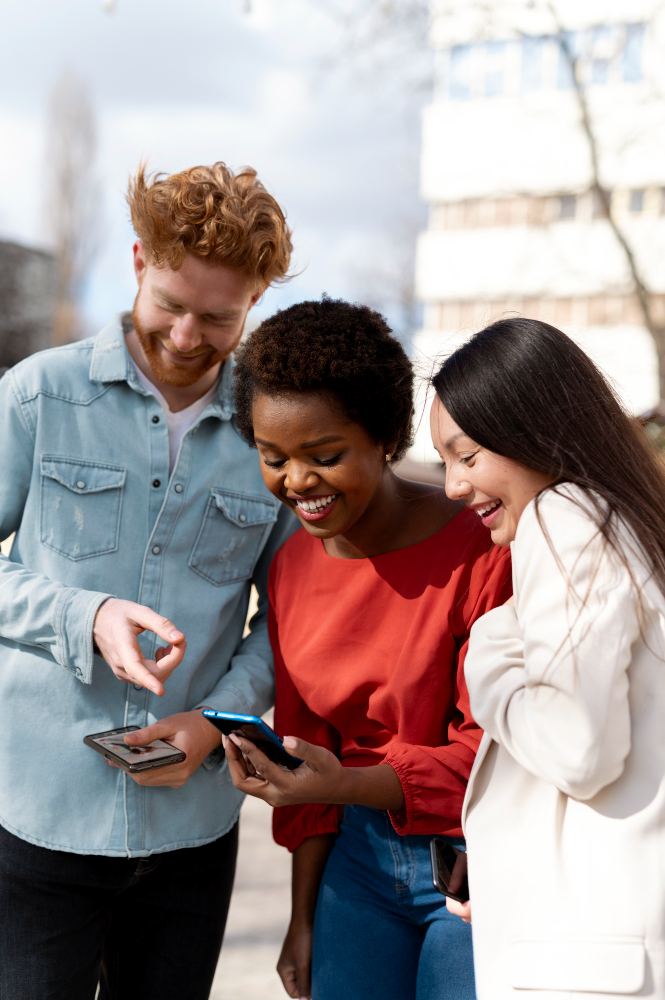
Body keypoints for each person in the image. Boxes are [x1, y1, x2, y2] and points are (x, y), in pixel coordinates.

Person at [0, 161, 296, 1000]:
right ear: (137, 261)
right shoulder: (36, 396)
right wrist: (80, 614)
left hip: (191, 835)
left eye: (219, 317)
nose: (186, 335)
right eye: (170, 303)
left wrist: (212, 722)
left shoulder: (269, 431)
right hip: (34, 818)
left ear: (254, 302)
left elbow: (286, 621)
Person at [224, 298, 512, 1000]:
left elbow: (490, 754)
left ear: (384, 437)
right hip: (354, 863)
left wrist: (337, 782)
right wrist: (302, 919)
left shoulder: (480, 547)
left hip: (476, 861)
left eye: (323, 457)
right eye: (273, 457)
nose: (296, 482)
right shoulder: (292, 567)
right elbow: (310, 756)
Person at [430, 317, 665, 998]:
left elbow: (577, 749)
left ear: (534, 431)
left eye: (467, 456)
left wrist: (488, 658)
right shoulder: (629, 525)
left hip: (581, 968)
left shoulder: (564, 518)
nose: (450, 485)